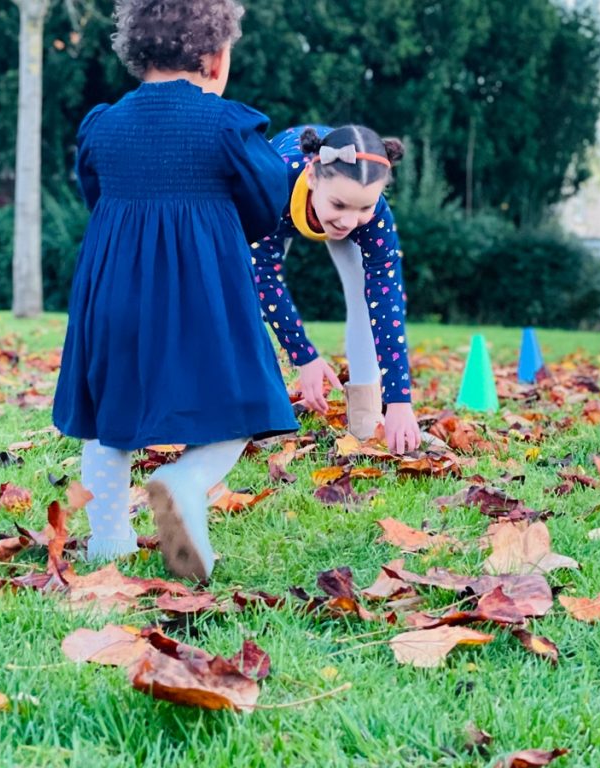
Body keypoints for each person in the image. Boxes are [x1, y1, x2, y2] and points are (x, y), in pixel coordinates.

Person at [52, 0, 297, 581]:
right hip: (204, 298)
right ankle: (184, 482)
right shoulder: (227, 126)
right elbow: (268, 205)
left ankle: (108, 541)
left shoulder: (104, 125)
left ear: (138, 54)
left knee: (108, 419)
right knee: (240, 406)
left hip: (112, 295)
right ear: (215, 57)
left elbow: (96, 194)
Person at [252, 124, 421, 454]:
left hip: (323, 195)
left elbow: (387, 303)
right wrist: (305, 356)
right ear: (314, 176)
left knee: (363, 289)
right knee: (246, 294)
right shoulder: (271, 183)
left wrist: (399, 400)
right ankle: (261, 407)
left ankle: (366, 413)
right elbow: (264, 278)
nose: (350, 220)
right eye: (341, 205)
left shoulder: (371, 215)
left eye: (364, 207)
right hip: (281, 203)